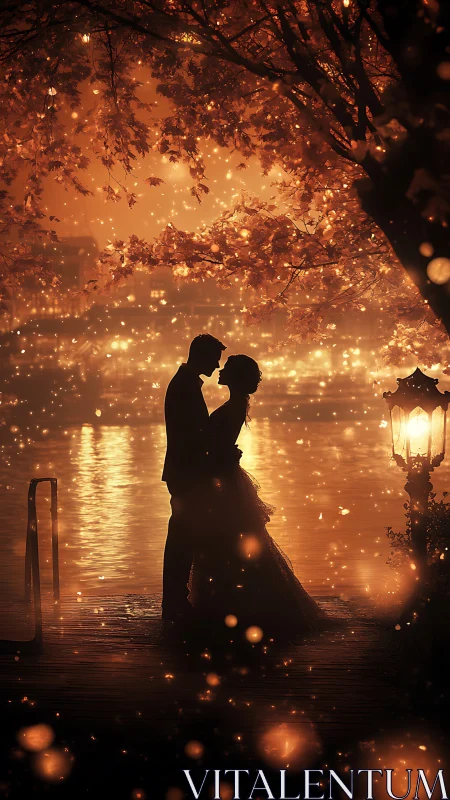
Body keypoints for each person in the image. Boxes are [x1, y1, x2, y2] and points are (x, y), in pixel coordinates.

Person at [189, 354, 323, 638]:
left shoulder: (233, 407)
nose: (220, 371)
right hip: (224, 479)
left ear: (235, 377)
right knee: (232, 541)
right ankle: (241, 605)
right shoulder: (237, 405)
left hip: (222, 483)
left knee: (224, 541)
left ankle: (230, 607)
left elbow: (219, 447)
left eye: (226, 369)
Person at [161, 333, 226, 624]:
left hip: (183, 470)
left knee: (183, 535)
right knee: (181, 537)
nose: (217, 365)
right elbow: (191, 435)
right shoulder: (185, 386)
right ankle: (174, 600)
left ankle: (176, 598)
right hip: (186, 472)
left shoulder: (185, 383)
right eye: (214, 359)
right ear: (201, 356)